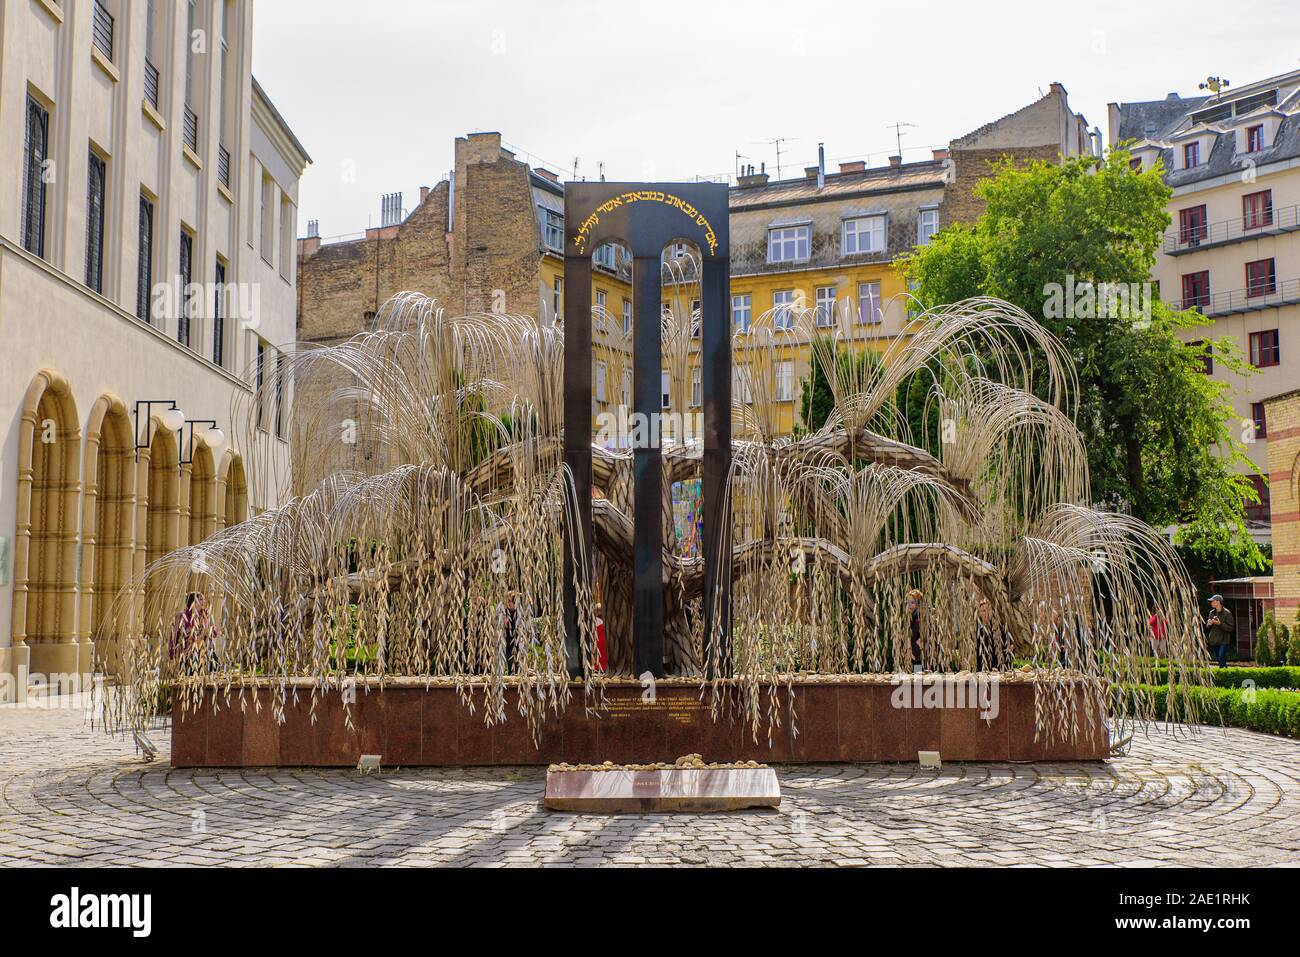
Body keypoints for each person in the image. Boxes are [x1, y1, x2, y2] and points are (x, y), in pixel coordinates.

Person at [1204, 594, 1234, 668]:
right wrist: (1209, 624)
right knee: (1219, 659)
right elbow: (1207, 627)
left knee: (1221, 657)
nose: (1211, 603)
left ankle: (1222, 671)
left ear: (1218, 602)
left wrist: (1220, 624)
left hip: (1224, 640)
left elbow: (1231, 628)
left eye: (1212, 601)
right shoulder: (1211, 613)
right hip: (1214, 639)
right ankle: (1225, 670)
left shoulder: (1227, 613)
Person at [975, 599, 1005, 672]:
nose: (987, 613)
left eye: (989, 610)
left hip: (998, 671)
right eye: (984, 611)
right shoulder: (975, 630)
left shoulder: (999, 629)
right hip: (981, 672)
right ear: (979, 613)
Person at [905, 590, 925, 672]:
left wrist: (914, 652)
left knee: (919, 679)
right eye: (908, 602)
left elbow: (923, 637)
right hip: (914, 656)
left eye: (912, 602)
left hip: (920, 657)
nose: (909, 605)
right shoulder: (911, 617)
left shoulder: (920, 617)